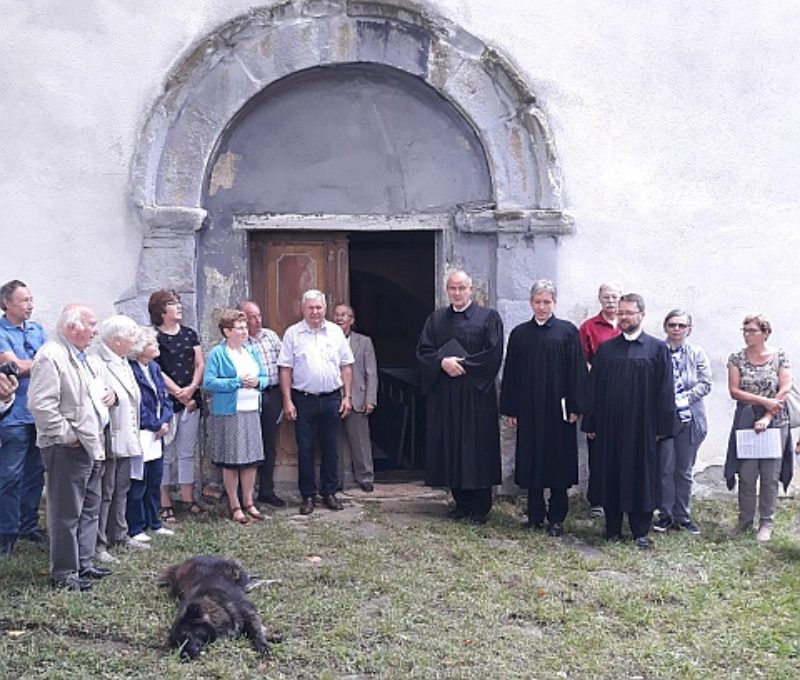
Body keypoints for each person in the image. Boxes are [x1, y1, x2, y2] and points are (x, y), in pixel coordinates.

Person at [28, 304, 116, 591]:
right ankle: (64, 573)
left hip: (90, 443)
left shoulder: (83, 357)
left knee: (89, 507)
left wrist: (110, 395)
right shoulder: (51, 356)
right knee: (66, 511)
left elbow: (97, 392)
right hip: (68, 447)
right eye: (91, 324)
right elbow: (42, 406)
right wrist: (69, 437)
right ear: (71, 328)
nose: (95, 330)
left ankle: (84, 564)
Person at [581, 293, 674, 550]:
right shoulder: (607, 350)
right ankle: (612, 528)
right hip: (610, 426)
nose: (624, 317)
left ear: (641, 315)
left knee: (641, 475)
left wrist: (662, 428)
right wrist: (591, 422)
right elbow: (594, 388)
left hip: (643, 427)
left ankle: (639, 531)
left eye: (629, 313)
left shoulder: (657, 349)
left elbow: (665, 390)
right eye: (620, 313)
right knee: (611, 472)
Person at [500, 280, 587, 536]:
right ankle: (535, 515)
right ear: (531, 303)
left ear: (554, 303)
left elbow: (577, 371)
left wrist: (575, 405)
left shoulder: (567, 332)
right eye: (537, 302)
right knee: (531, 460)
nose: (542, 307)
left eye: (546, 302)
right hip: (529, 409)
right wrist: (511, 409)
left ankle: (557, 518)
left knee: (557, 461)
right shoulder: (520, 334)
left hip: (558, 410)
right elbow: (511, 373)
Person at [416, 270, 503, 524]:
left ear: (471, 289)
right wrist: (442, 362)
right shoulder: (436, 319)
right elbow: (423, 351)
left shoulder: (488, 318)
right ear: (447, 290)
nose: (456, 293)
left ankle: (480, 507)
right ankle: (460, 503)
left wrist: (464, 365)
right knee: (451, 445)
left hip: (476, 396)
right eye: (452, 288)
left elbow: (493, 353)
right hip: (446, 395)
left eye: (461, 288)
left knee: (477, 447)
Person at [278, 290, 354, 515]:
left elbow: (346, 365)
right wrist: (287, 401)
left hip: (332, 398)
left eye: (319, 307)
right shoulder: (293, 334)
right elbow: (285, 369)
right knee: (306, 450)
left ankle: (329, 493)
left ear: (325, 308)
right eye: (311, 308)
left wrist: (347, 396)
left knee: (331, 449)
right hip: (304, 400)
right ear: (303, 309)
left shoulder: (335, 333)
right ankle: (308, 496)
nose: (315, 312)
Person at [724, 314, 792, 542]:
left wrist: (768, 415)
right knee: (747, 473)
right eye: (744, 330)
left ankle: (766, 522)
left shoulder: (779, 356)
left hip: (775, 420)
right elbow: (735, 391)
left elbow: (785, 387)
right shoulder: (737, 358)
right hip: (746, 418)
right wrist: (764, 402)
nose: (747, 334)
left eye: (752, 330)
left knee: (770, 474)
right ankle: (744, 520)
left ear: (765, 332)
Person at [204, 309, 269, 524]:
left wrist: (258, 382)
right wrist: (238, 382)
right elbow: (209, 382)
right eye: (239, 328)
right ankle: (234, 504)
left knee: (251, 459)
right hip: (229, 413)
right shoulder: (218, 354)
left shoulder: (251, 351)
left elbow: (265, 376)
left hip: (251, 410)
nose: (245, 331)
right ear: (227, 331)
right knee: (231, 460)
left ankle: (249, 501)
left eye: (245, 327)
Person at [92, 315, 147, 561]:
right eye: (131, 335)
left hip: (126, 434)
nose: (135, 339)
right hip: (109, 436)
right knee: (105, 491)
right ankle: (98, 542)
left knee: (121, 487)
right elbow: (97, 395)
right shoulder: (98, 362)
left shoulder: (124, 361)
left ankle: (119, 533)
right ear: (115, 340)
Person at [0, 280, 47, 556]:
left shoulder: (37, 329)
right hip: (13, 416)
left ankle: (28, 524)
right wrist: (36, 362)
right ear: (7, 303)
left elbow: (48, 361)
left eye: (31, 299)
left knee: (35, 473)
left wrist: (27, 364)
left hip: (38, 414)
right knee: (9, 475)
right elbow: (13, 367)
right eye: (24, 300)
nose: (30, 304)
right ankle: (6, 532)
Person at [149, 290, 205, 521]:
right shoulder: (154, 338)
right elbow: (157, 370)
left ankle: (188, 497)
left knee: (186, 451)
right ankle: (165, 501)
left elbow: (199, 363)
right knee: (167, 453)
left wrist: (191, 388)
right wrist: (178, 393)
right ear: (162, 310)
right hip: (167, 403)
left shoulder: (190, 334)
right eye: (174, 304)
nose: (179, 307)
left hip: (191, 401)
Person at [654, 310, 711, 535]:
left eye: (681, 326)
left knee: (684, 470)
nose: (676, 329)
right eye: (672, 325)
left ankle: (683, 516)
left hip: (689, 418)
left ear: (688, 329)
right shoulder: (657, 351)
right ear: (665, 327)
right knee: (665, 468)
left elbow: (706, 384)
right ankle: (665, 514)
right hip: (665, 420)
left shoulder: (697, 353)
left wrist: (680, 399)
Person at [126, 326, 175, 544]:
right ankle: (135, 526)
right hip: (142, 432)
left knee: (155, 477)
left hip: (156, 433)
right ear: (138, 348)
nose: (156, 347)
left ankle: (154, 522)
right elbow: (136, 405)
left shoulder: (154, 367)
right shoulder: (131, 369)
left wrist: (164, 420)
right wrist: (155, 424)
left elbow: (164, 397)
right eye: (151, 344)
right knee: (139, 481)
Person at [578, 281, 622, 519]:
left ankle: (620, 496)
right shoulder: (588, 327)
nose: (610, 301)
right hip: (599, 394)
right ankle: (597, 499)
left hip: (626, 395)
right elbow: (581, 363)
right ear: (599, 299)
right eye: (606, 297)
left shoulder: (626, 325)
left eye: (614, 297)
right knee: (597, 448)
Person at [239, 300, 285, 507]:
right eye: (251, 317)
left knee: (269, 443)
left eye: (258, 315)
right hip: (248, 396)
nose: (257, 320)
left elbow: (285, 364)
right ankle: (244, 492)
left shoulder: (271, 336)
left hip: (272, 394)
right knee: (246, 444)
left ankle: (267, 490)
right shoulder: (239, 341)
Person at [333, 303, 378, 493]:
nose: (339, 318)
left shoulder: (364, 342)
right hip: (333, 396)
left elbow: (371, 372)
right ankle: (337, 480)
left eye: (344, 315)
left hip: (358, 396)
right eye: (336, 315)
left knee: (360, 440)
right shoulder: (326, 340)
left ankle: (365, 477)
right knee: (334, 442)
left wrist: (371, 399)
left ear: (351, 320)